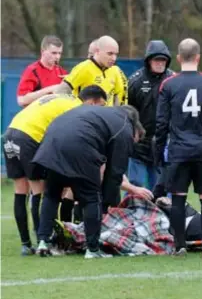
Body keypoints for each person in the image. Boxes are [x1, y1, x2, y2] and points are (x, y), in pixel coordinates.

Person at [2, 86, 107, 255]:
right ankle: (42, 242)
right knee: (40, 191)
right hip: (31, 136)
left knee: (20, 189)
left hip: (11, 132)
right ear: (91, 101)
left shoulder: (62, 98)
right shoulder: (76, 109)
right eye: (100, 106)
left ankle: (25, 243)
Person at [33, 105, 146, 259]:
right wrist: (106, 205)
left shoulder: (102, 115)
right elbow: (115, 173)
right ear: (135, 129)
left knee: (52, 194)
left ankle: (43, 242)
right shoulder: (124, 128)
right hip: (79, 146)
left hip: (51, 142)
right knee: (92, 198)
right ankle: (92, 249)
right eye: (135, 141)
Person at [155, 38, 202, 259]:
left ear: (177, 58)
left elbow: (161, 123)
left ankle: (179, 247)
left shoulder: (168, 84)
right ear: (198, 57)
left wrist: (158, 151)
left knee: (177, 198)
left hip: (179, 151)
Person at [127, 40, 174, 190]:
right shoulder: (135, 81)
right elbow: (127, 111)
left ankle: (159, 214)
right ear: (148, 60)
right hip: (139, 145)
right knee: (135, 187)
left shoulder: (173, 80)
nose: (160, 63)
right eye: (157, 59)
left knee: (160, 190)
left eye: (163, 60)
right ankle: (133, 212)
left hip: (162, 144)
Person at [33, 35, 127, 106]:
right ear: (97, 51)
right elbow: (61, 91)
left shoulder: (116, 71)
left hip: (106, 122)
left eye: (116, 54)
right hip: (86, 122)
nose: (114, 58)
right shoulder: (83, 68)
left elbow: (119, 97)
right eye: (110, 54)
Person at [16, 35, 67, 107]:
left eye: (60, 53)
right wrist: (49, 90)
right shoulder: (32, 71)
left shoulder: (62, 73)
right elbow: (22, 100)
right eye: (54, 53)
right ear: (43, 52)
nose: (57, 57)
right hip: (36, 116)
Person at [88, 38, 128, 105]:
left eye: (92, 54)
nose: (89, 57)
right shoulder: (83, 69)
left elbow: (121, 96)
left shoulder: (117, 72)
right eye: (89, 54)